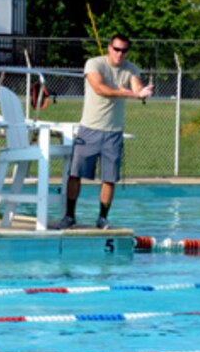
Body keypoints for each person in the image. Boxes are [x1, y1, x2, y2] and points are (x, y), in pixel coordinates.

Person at [58, 34, 152, 230]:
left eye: (124, 50)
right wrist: (126, 93)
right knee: (75, 174)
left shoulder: (130, 68)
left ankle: (102, 218)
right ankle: (69, 215)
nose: (119, 54)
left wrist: (140, 92)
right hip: (89, 130)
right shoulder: (94, 64)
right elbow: (99, 88)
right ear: (109, 48)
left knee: (109, 179)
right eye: (116, 49)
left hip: (113, 133)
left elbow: (136, 85)